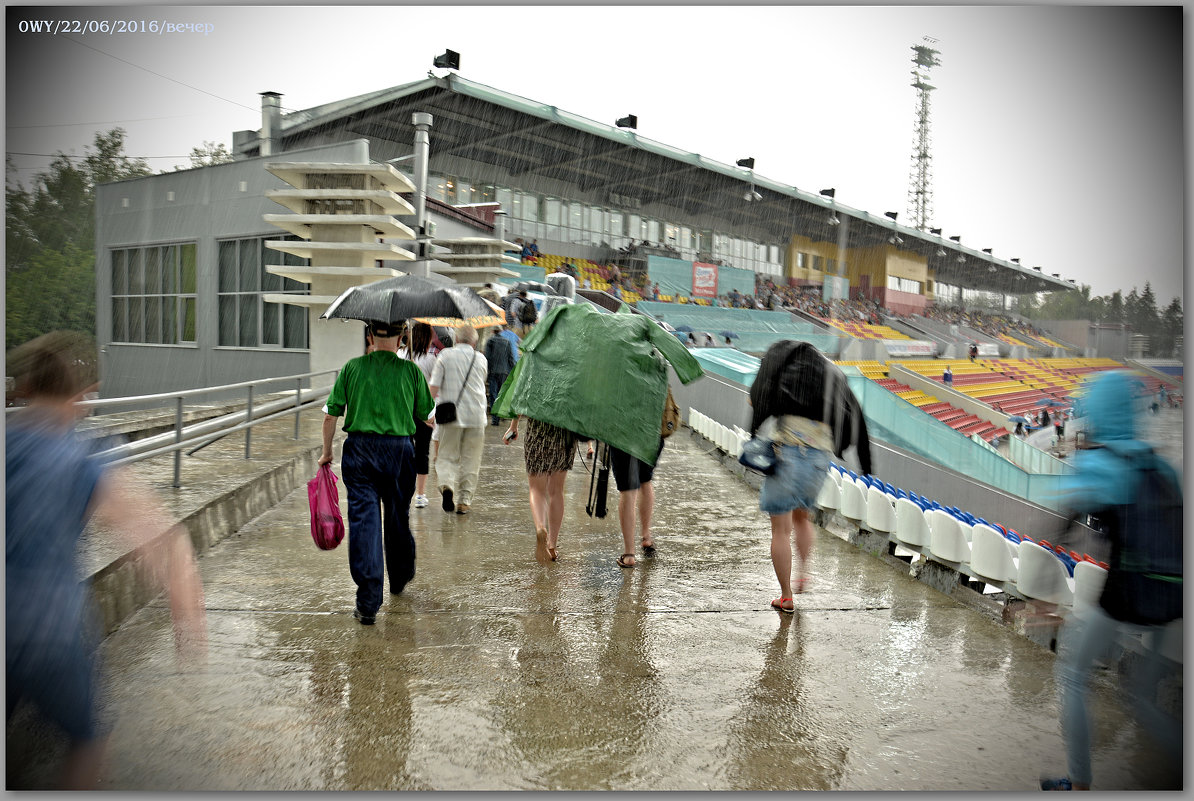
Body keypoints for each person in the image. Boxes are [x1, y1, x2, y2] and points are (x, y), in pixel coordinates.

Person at [6, 331, 207, 788]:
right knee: (88, 740)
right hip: (49, 624)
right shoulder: (82, 456)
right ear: (83, 397)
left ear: (25, 389)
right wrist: (187, 614)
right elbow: (164, 540)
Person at [1041, 370, 1183, 791]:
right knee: (1142, 698)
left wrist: (1042, 592)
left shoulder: (1101, 462)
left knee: (1073, 673)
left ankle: (1080, 783)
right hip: (1174, 596)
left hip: (1129, 593)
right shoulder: (1159, 464)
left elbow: (1065, 524)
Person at [320, 321, 434, 625]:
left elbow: (331, 414)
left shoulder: (351, 368)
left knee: (364, 520)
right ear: (401, 338)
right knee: (397, 516)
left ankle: (369, 601)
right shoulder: (411, 371)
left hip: (359, 450)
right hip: (399, 451)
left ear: (370, 336)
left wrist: (327, 451)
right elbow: (426, 414)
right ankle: (399, 576)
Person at [748, 340, 872, 612]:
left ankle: (786, 595)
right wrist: (866, 466)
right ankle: (803, 573)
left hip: (786, 455)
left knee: (780, 530)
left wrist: (753, 430)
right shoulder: (832, 378)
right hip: (818, 460)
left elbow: (760, 395)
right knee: (803, 518)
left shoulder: (783, 369)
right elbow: (857, 418)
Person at [504, 414, 583, 564]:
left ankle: (541, 527)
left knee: (536, 490)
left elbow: (520, 398)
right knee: (556, 491)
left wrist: (513, 426)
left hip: (537, 430)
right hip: (565, 433)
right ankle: (552, 545)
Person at [429, 325, 488, 515]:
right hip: (476, 415)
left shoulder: (445, 356)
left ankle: (447, 486)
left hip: (450, 415)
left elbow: (434, 387)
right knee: (471, 459)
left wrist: (426, 411)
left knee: (447, 455)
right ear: (474, 342)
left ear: (456, 339)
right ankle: (464, 501)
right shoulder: (481, 359)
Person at [397, 322, 439, 509]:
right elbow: (434, 388)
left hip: (402, 410)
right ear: (428, 338)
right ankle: (420, 495)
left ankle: (401, 487)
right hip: (424, 412)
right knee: (422, 452)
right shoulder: (432, 360)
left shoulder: (399, 355)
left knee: (404, 450)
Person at [609, 440, 662, 568]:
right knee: (645, 480)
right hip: (650, 434)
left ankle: (629, 554)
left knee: (628, 489)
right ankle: (646, 537)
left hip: (623, 434)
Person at [484, 323, 517, 426]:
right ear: (501, 331)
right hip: (504, 372)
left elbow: (487, 358)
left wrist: (486, 371)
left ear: (493, 331)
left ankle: (495, 419)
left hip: (493, 371)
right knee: (501, 394)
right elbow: (511, 358)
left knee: (493, 394)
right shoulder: (507, 342)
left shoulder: (490, 341)